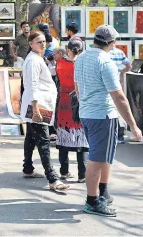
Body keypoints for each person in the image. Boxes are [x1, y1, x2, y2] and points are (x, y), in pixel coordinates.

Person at [74, 25, 142, 217]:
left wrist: (84, 105)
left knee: (104, 156)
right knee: (96, 159)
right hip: (102, 115)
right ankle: (92, 200)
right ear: (111, 43)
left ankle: (102, 192)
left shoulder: (81, 58)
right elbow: (119, 96)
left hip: (88, 113)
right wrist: (134, 125)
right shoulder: (106, 61)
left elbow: (77, 87)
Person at [21, 32, 69, 192]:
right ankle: (53, 178)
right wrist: (35, 108)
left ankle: (27, 168)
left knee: (30, 137)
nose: (42, 44)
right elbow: (32, 84)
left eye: (43, 41)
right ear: (31, 43)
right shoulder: (33, 60)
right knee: (43, 141)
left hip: (40, 104)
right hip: (38, 106)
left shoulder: (36, 58)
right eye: (38, 41)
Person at [55, 38, 88, 182]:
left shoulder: (60, 63)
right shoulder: (83, 64)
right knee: (82, 138)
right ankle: (82, 174)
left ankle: (64, 171)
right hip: (80, 101)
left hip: (64, 101)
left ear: (68, 49)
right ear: (81, 51)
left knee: (64, 136)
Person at [108, 46, 132, 144]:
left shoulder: (103, 53)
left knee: (109, 110)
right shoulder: (120, 52)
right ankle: (120, 136)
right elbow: (129, 66)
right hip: (116, 85)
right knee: (119, 110)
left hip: (106, 86)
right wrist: (122, 72)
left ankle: (111, 135)